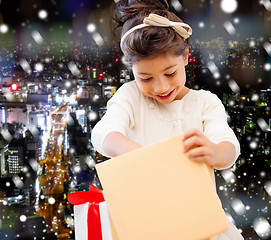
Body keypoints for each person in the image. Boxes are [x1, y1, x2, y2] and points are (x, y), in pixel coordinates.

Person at [91, 0, 243, 239]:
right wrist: (137, 154)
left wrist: (214, 152)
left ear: (185, 57)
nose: (161, 87)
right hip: (146, 221)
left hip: (197, 221)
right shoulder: (131, 97)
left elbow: (229, 148)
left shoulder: (204, 102)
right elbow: (103, 134)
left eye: (170, 73)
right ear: (131, 70)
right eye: (145, 78)